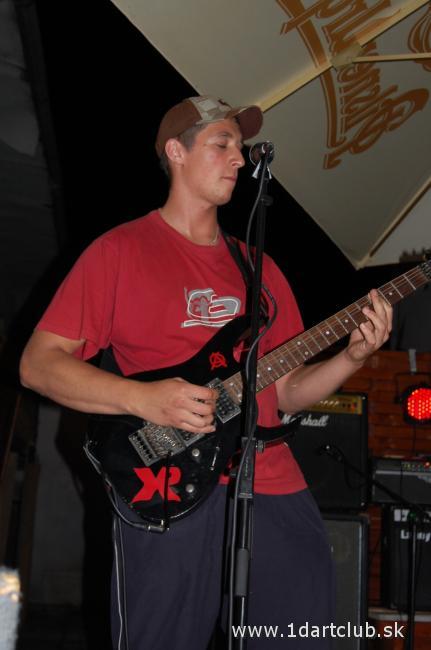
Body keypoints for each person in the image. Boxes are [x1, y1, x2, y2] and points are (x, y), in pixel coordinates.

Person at [20, 95, 392, 649]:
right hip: (168, 484)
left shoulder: (261, 269)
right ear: (176, 152)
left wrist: (350, 358)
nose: (239, 159)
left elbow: (286, 392)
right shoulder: (118, 251)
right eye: (223, 144)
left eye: (240, 147)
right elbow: (38, 365)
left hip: (271, 482)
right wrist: (144, 399)